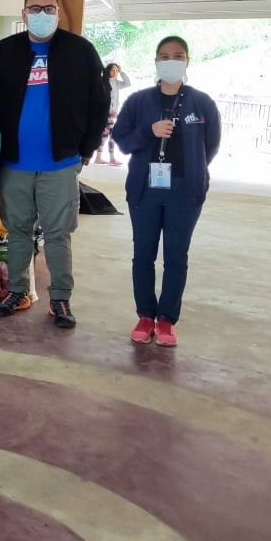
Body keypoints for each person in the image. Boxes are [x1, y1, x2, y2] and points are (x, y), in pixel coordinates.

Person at [0, 0, 110, 328]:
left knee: (57, 234)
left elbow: (99, 103)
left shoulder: (80, 51)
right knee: (17, 230)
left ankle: (61, 299)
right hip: (14, 163)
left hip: (61, 162)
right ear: (24, 14)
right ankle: (19, 290)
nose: (41, 15)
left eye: (48, 8)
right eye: (34, 9)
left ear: (58, 12)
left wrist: (87, 148)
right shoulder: (4, 52)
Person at [112, 36, 221, 347]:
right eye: (164, 56)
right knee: (143, 254)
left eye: (178, 55)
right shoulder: (139, 101)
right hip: (145, 190)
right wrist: (149, 132)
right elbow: (121, 140)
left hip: (184, 192)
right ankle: (146, 315)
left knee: (176, 257)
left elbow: (210, 145)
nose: (170, 60)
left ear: (187, 61)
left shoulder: (201, 103)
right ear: (156, 61)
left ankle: (167, 320)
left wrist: (194, 170)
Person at [95, 63, 131, 165]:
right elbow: (104, 99)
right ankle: (108, 158)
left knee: (108, 135)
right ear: (108, 71)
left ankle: (103, 158)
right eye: (113, 70)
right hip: (106, 114)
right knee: (108, 135)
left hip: (112, 115)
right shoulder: (103, 83)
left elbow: (128, 83)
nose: (115, 72)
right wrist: (110, 111)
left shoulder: (116, 83)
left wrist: (121, 72)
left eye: (116, 70)